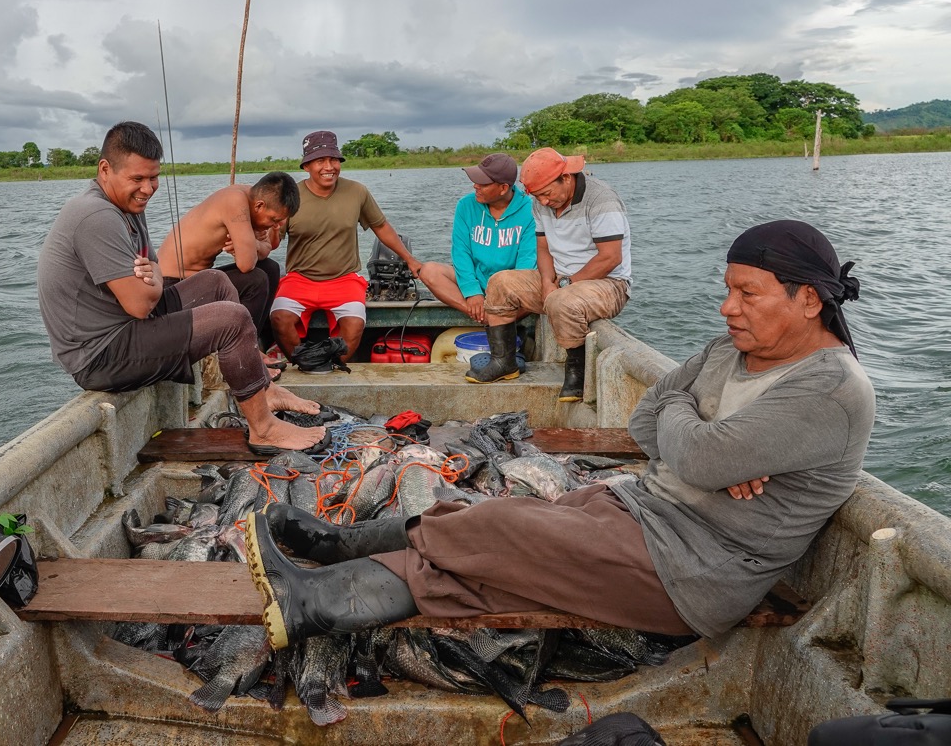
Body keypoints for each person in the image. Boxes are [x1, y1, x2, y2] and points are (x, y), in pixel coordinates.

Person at [243, 220, 874, 651]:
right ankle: (319, 588)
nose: (726, 307)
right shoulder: (729, 349)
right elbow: (647, 418)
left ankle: (329, 567)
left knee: (497, 530)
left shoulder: (829, 389)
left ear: (810, 300)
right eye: (726, 290)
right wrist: (709, 437)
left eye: (747, 293)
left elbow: (699, 454)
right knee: (491, 536)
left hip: (690, 569)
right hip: (640, 509)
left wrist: (706, 440)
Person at [36, 121, 326, 455]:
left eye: (153, 177)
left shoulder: (127, 207)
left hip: (128, 327)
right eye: (137, 179)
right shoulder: (95, 216)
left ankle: (263, 389)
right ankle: (263, 429)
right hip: (102, 353)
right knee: (230, 319)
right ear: (105, 169)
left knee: (216, 282)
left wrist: (154, 277)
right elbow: (140, 304)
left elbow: (153, 270)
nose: (148, 188)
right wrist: (155, 278)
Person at [467, 147, 632, 398]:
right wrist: (546, 281)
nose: (543, 202)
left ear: (566, 178)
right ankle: (504, 362)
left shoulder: (601, 200)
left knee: (561, 299)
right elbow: (542, 247)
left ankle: (577, 374)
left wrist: (566, 283)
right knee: (500, 282)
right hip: (561, 279)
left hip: (608, 284)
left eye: (546, 194)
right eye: (538, 196)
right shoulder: (541, 202)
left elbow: (610, 257)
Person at [269, 130, 423, 362]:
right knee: (279, 317)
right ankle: (303, 364)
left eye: (334, 160)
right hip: (300, 278)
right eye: (320, 161)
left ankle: (334, 367)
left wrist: (410, 259)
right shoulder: (291, 196)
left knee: (354, 323)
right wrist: (252, 240)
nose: (328, 166)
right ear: (306, 166)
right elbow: (271, 241)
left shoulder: (357, 191)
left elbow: (381, 227)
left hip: (344, 278)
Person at [158, 171, 299, 355]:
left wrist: (253, 244)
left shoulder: (256, 201)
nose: (276, 226)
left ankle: (253, 345)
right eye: (274, 220)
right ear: (259, 205)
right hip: (173, 288)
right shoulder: (235, 202)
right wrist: (254, 247)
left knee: (271, 268)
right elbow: (246, 265)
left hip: (198, 280)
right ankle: (244, 353)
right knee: (255, 279)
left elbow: (269, 247)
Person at [417, 152, 536, 328]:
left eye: (483, 183)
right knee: (428, 271)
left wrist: (507, 296)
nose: (475, 186)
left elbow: (526, 264)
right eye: (475, 181)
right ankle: (487, 318)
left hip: (511, 287)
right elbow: (461, 252)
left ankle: (497, 319)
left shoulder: (531, 210)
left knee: (546, 284)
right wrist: (472, 292)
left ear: (503, 188)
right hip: (478, 280)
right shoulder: (466, 205)